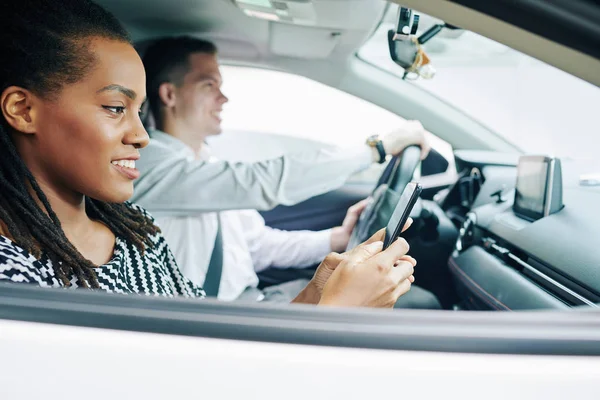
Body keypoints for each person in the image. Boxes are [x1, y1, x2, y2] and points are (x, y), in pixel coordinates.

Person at [0, 0, 417, 309]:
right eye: (115, 108)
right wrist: (336, 314)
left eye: (137, 111)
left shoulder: (136, 234)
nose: (141, 136)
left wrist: (319, 291)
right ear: (22, 109)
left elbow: (202, 347)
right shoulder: (14, 276)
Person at [132, 36, 439, 306]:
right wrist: (378, 148)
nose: (223, 98)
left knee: (403, 295)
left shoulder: (206, 163)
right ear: (169, 95)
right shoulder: (150, 166)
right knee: (417, 303)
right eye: (209, 85)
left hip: (254, 300)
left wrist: (337, 239)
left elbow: (257, 246)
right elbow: (265, 181)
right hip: (216, 316)